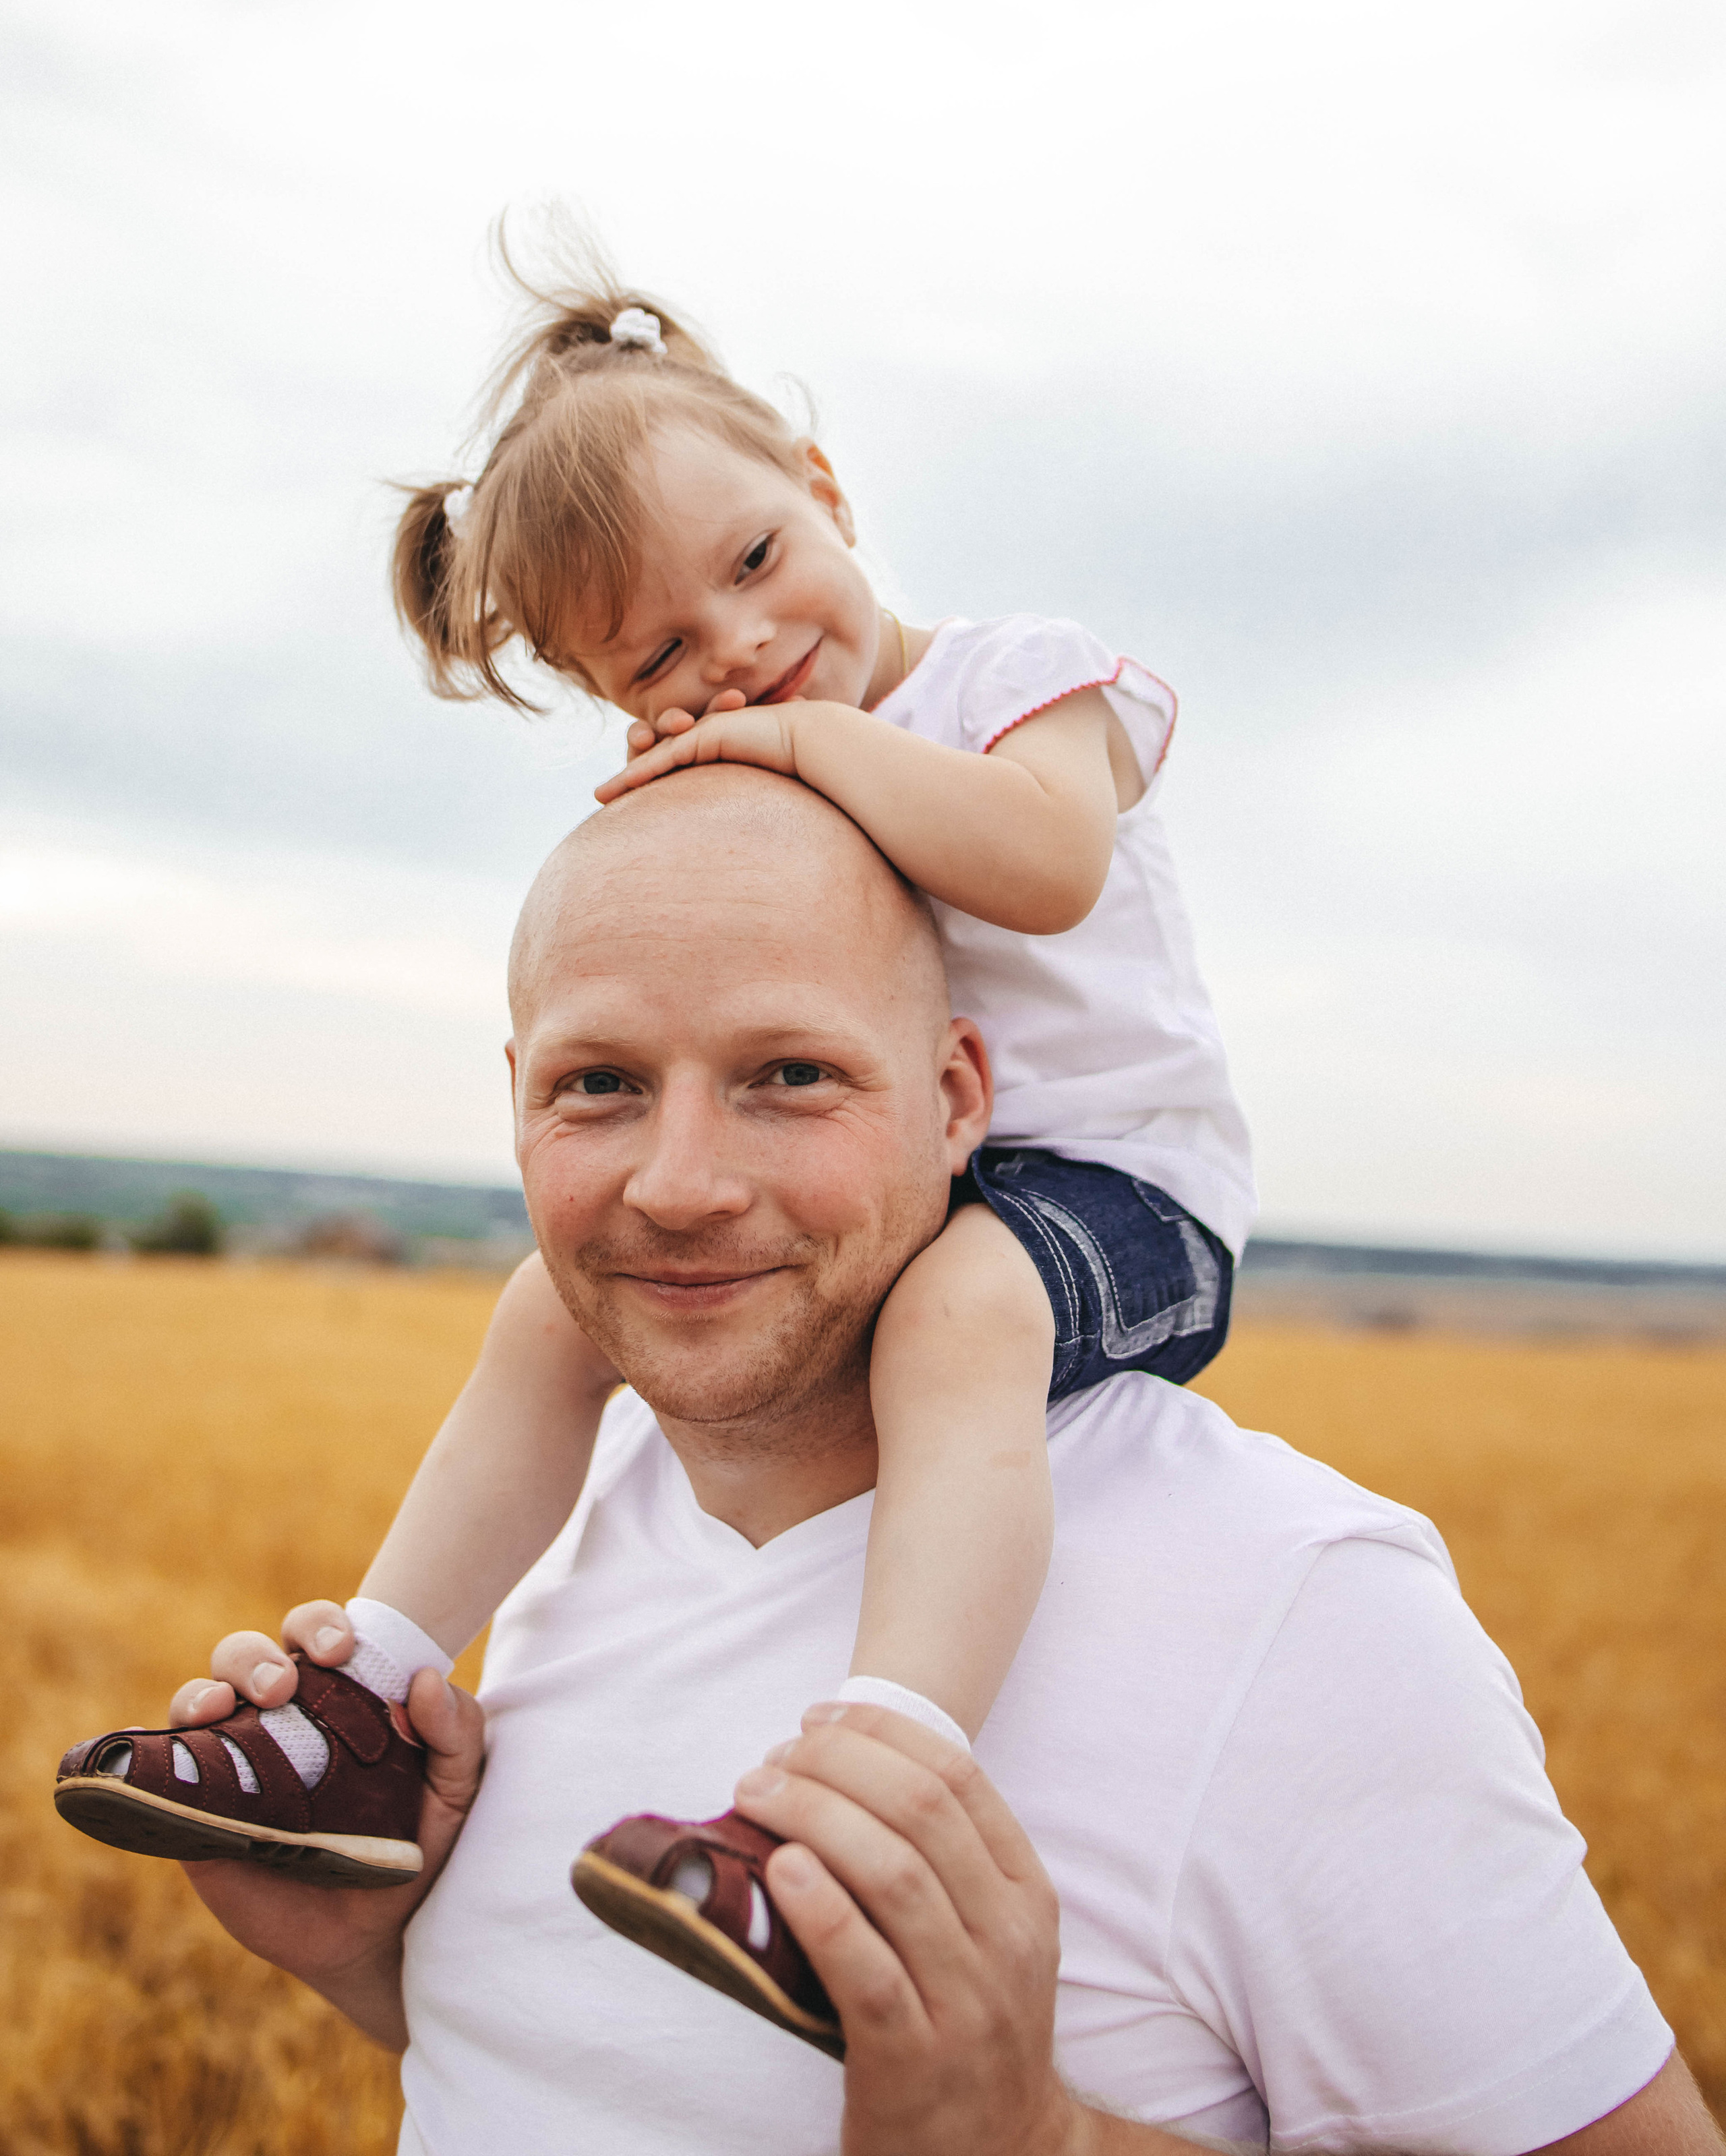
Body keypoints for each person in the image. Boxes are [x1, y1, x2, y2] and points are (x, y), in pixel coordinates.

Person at [87, 770, 1710, 2155]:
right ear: (511, 1103)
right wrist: (372, 1966)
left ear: (954, 1102)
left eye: (789, 1075)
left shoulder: (1299, 1611)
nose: (679, 1184)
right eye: (599, 1085)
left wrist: (1041, 2138)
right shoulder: (567, 1524)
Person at [58, 256, 1253, 2026]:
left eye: (758, 562)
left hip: (1115, 1192)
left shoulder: (1017, 677)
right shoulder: (760, 763)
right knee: (554, 1301)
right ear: (625, 702)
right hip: (894, 1183)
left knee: (958, 1319)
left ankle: (865, 1814)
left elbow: (1044, 860)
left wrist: (788, 738)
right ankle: (368, 1710)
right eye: (671, 653)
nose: (746, 645)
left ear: (826, 491)